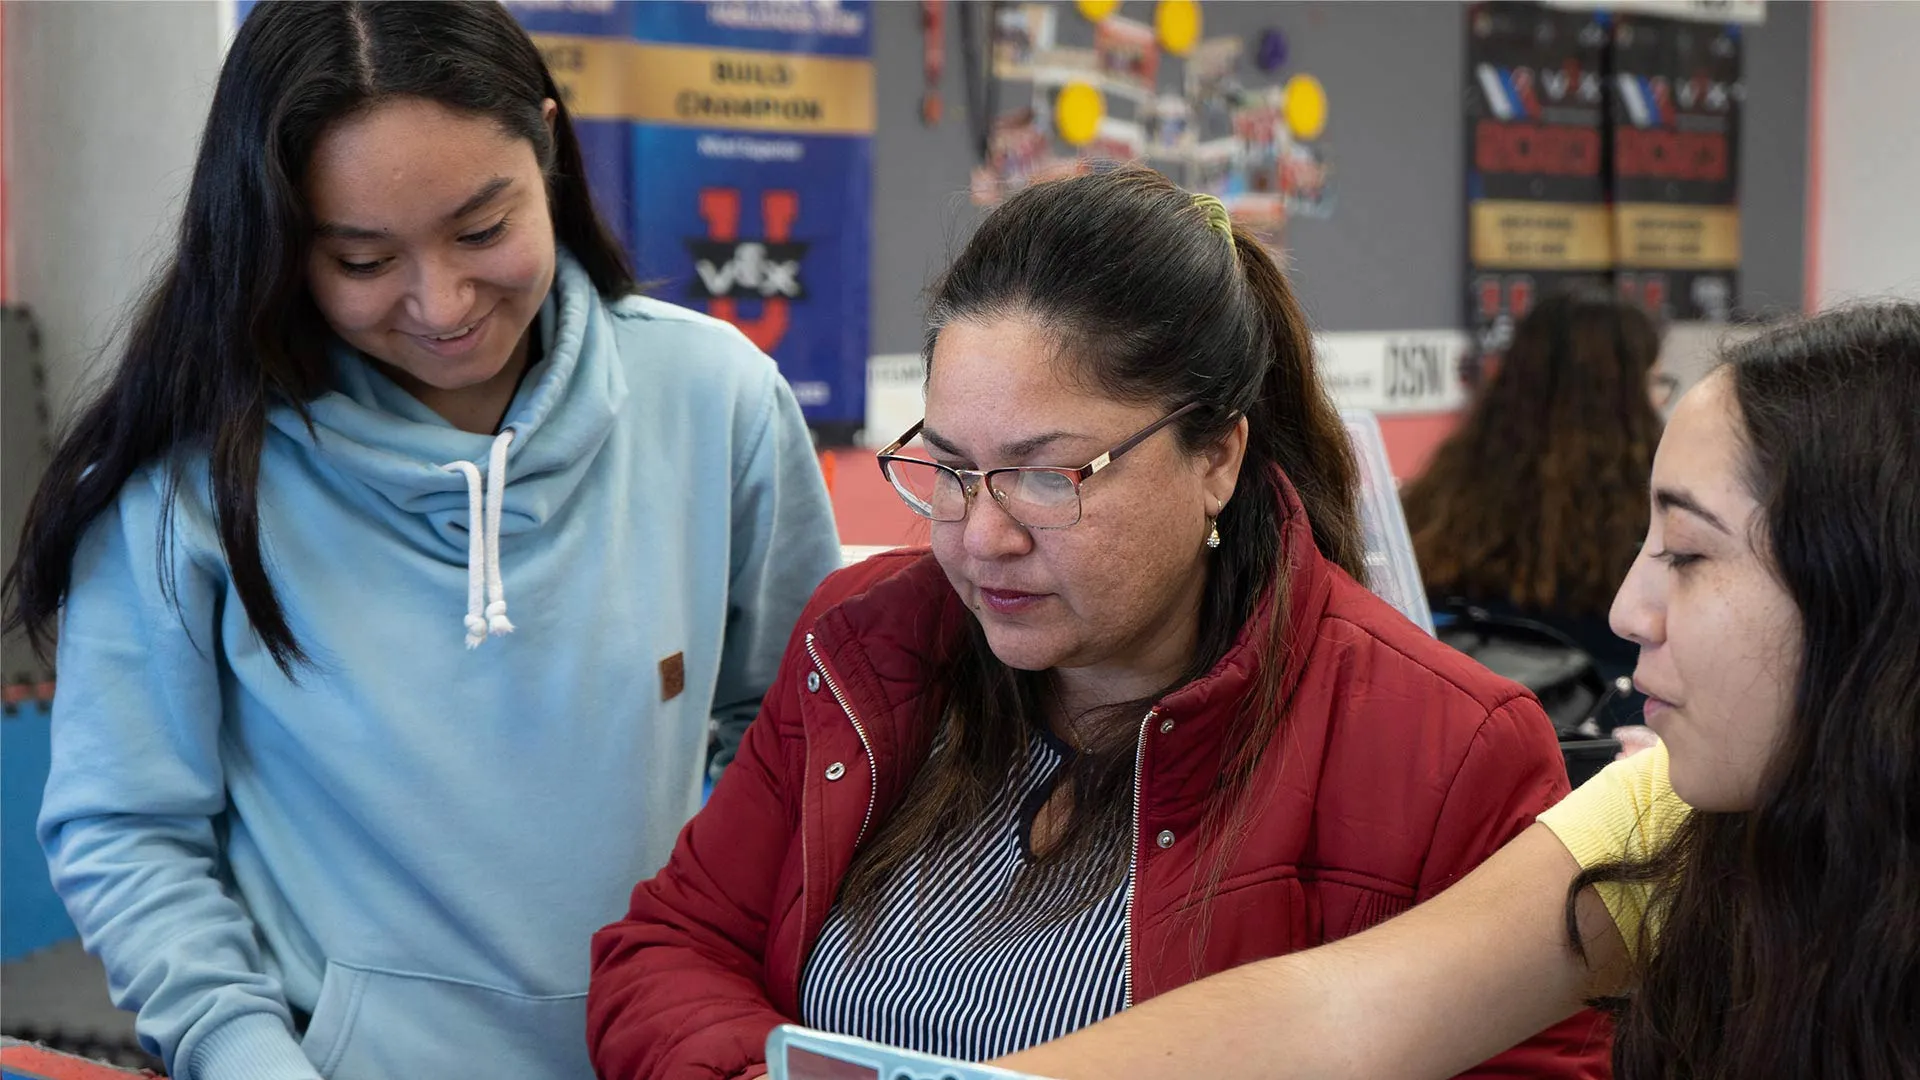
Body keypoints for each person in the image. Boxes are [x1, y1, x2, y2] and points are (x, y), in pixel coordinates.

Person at [586, 167, 1608, 1079]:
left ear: (1217, 458)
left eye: (1047, 476)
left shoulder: (1446, 748)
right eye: (951, 469)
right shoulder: (865, 646)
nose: (981, 538)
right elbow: (671, 948)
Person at [1, 4, 839, 1078]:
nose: (441, 304)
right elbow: (128, 829)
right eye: (362, 259)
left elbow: (800, 746)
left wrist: (708, 1008)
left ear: (546, 151)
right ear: (280, 239)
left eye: (482, 230)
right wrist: (243, 1055)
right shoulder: (189, 478)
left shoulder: (715, 397)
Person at [994, 303, 1920, 1080]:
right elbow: (1343, 1010)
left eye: (1686, 553)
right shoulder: (1672, 813)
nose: (1629, 610)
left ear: (1871, 591)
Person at [1401, 289, 1664, 727]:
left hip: (1480, 728)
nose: (1661, 402)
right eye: (1656, 383)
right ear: (1628, 397)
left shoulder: (1446, 504)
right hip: (1612, 739)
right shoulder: (1653, 518)